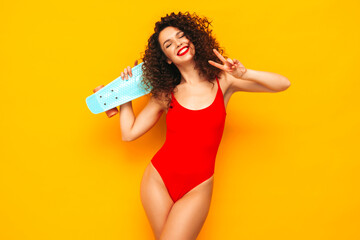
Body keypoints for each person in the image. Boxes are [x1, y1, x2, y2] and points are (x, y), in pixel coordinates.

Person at [119, 11, 290, 240]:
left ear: (192, 39)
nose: (178, 43)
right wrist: (123, 96)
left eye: (181, 36)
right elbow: (129, 133)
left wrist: (245, 73)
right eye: (169, 44)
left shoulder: (224, 80)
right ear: (167, 58)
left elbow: (282, 84)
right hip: (158, 180)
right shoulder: (165, 94)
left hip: (197, 187)